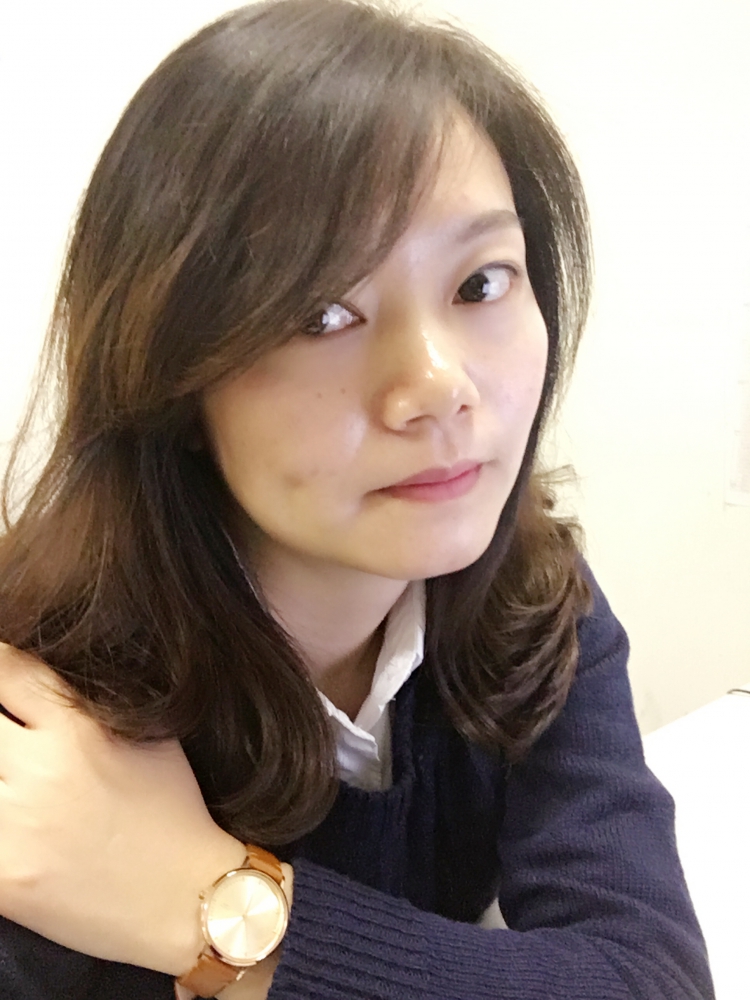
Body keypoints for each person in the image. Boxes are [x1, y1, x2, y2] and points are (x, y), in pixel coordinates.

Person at [0, 1, 714, 997]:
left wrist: (204, 902)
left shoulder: (530, 599)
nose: (438, 386)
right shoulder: (51, 705)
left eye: (481, 284)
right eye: (321, 313)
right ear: (169, 370)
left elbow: (647, 975)